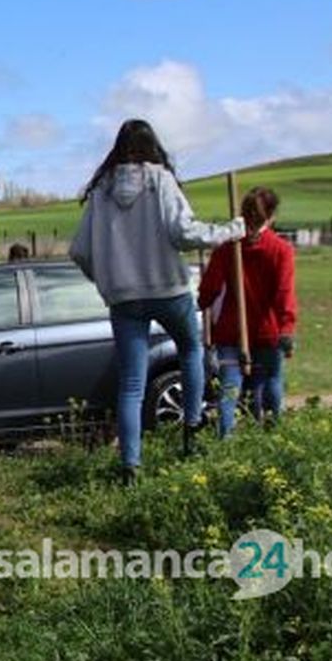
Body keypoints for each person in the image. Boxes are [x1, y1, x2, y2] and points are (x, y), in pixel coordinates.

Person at [69, 119, 244, 483]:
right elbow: (183, 232)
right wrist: (230, 230)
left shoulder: (101, 191)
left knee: (131, 383)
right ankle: (192, 426)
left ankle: (131, 464)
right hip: (168, 289)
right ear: (152, 147)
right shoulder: (160, 180)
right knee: (191, 350)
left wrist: (106, 279)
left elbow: (80, 250)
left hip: (124, 298)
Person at [198, 186, 298, 435]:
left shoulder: (227, 248)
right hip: (267, 331)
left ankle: (226, 442)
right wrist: (286, 328)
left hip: (231, 332)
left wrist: (203, 299)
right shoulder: (280, 249)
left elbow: (209, 290)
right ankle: (273, 435)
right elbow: (284, 292)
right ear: (271, 215)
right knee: (271, 382)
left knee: (230, 389)